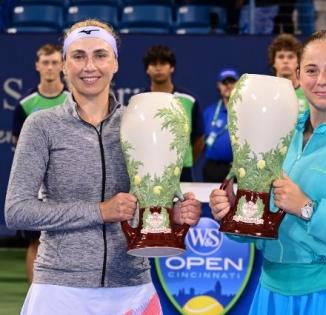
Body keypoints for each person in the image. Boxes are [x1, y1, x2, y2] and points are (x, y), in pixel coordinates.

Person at [5, 19, 201, 315]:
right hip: (59, 289)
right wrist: (99, 211)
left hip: (131, 287)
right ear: (64, 64)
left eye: (100, 55)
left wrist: (175, 212)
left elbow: (157, 203)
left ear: (115, 63)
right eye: (78, 56)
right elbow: (17, 211)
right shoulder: (41, 125)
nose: (89, 66)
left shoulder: (141, 121)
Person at [209, 30, 326, 314]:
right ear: (298, 76)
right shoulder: (278, 133)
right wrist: (233, 215)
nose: (321, 80)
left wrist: (308, 208)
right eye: (311, 70)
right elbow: (260, 224)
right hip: (273, 293)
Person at [12, 43, 68, 285]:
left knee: (69, 239)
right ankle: (35, 300)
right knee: (36, 241)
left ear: (63, 66)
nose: (50, 67)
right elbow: (20, 147)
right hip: (36, 184)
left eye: (55, 62)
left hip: (69, 180)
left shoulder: (74, 99)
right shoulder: (25, 105)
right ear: (37, 66)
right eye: (46, 62)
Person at [141, 44, 204, 182]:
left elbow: (199, 139)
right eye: (153, 64)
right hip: (148, 171)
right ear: (147, 69)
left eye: (163, 63)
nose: (158, 68)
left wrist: (184, 160)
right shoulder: (138, 101)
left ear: (172, 68)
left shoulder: (189, 100)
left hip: (182, 172)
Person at [202, 68, 238, 182]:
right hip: (212, 168)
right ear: (219, 86)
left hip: (236, 168)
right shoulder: (209, 111)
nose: (228, 86)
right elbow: (200, 139)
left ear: (238, 85)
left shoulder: (245, 111)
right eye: (224, 82)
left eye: (232, 82)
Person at [268, 33, 309, 114]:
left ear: (298, 62)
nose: (285, 61)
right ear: (273, 62)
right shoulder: (266, 93)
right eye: (281, 56)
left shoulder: (309, 94)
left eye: (290, 57)